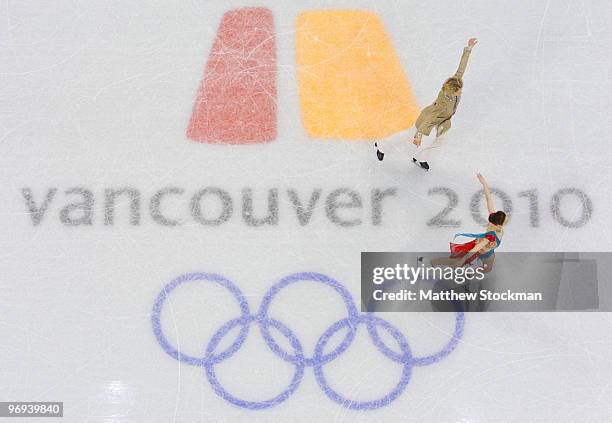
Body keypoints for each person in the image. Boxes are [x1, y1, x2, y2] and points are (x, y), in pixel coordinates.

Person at [374, 38, 478, 167]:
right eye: (458, 92)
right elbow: (429, 121)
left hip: (444, 119)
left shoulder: (455, 82)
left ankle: (421, 158)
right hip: (430, 117)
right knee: (408, 135)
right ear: (451, 92)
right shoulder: (442, 104)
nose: (460, 92)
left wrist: (468, 49)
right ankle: (382, 145)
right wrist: (419, 136)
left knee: (440, 140)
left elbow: (461, 68)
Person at [431, 173, 507, 272]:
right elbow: (476, 248)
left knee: (487, 269)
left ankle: (469, 272)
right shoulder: (491, 237)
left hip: (488, 251)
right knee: (456, 262)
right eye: (505, 219)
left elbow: (489, 199)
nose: (507, 219)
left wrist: (484, 184)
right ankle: (434, 262)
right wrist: (462, 260)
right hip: (479, 251)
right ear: (499, 223)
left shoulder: (493, 218)